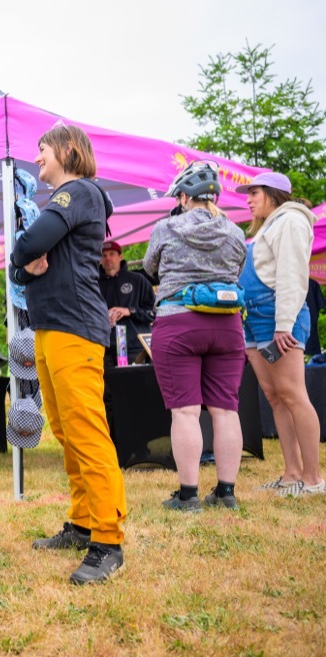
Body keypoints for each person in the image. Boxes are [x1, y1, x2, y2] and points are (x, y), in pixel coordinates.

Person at [10, 125, 127, 585]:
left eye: (43, 149)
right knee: (65, 430)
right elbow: (20, 268)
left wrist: (25, 259)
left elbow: (26, 246)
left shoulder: (78, 191)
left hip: (73, 328)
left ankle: (108, 541)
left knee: (86, 432)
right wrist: (25, 264)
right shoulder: (67, 200)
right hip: (51, 328)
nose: (37, 156)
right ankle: (82, 523)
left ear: (69, 150)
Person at [142, 161, 247, 512]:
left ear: (185, 197)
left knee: (186, 412)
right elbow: (238, 269)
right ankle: (226, 493)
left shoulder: (167, 227)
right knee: (226, 410)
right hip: (227, 325)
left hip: (179, 323)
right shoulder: (234, 232)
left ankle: (188, 496)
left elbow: (150, 267)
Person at [236, 172, 323, 496]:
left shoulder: (291, 221)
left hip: (277, 317)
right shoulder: (267, 227)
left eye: (254, 193)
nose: (248, 200)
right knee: (275, 396)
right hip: (255, 318)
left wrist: (284, 325)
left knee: (293, 394)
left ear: (273, 193)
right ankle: (291, 474)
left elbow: (292, 276)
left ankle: (313, 479)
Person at [98, 240, 155, 365]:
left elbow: (153, 313)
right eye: (104, 255)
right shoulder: (94, 284)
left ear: (120, 256)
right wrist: (103, 317)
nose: (108, 258)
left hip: (135, 349)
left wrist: (130, 311)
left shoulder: (137, 280)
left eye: (112, 254)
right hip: (104, 350)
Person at [304, 277, 325, 356]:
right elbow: (321, 305)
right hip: (310, 327)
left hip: (290, 329)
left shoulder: (286, 284)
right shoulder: (313, 284)